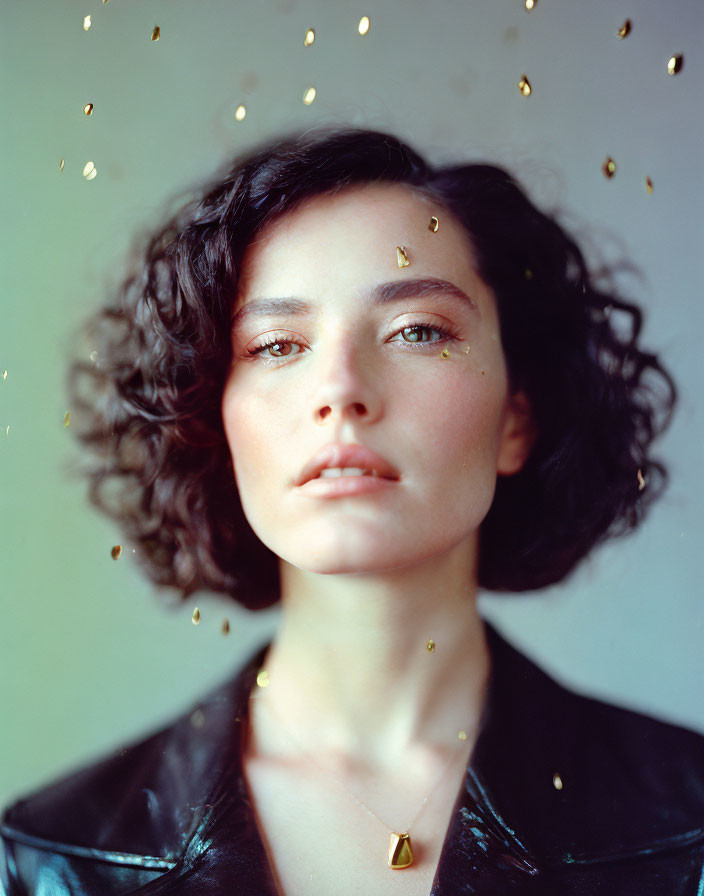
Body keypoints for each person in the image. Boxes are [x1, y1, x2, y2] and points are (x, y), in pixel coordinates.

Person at [1, 128, 703, 896]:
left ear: (517, 420)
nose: (340, 390)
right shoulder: (49, 857)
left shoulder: (685, 828)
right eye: (275, 345)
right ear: (212, 418)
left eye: (417, 331)